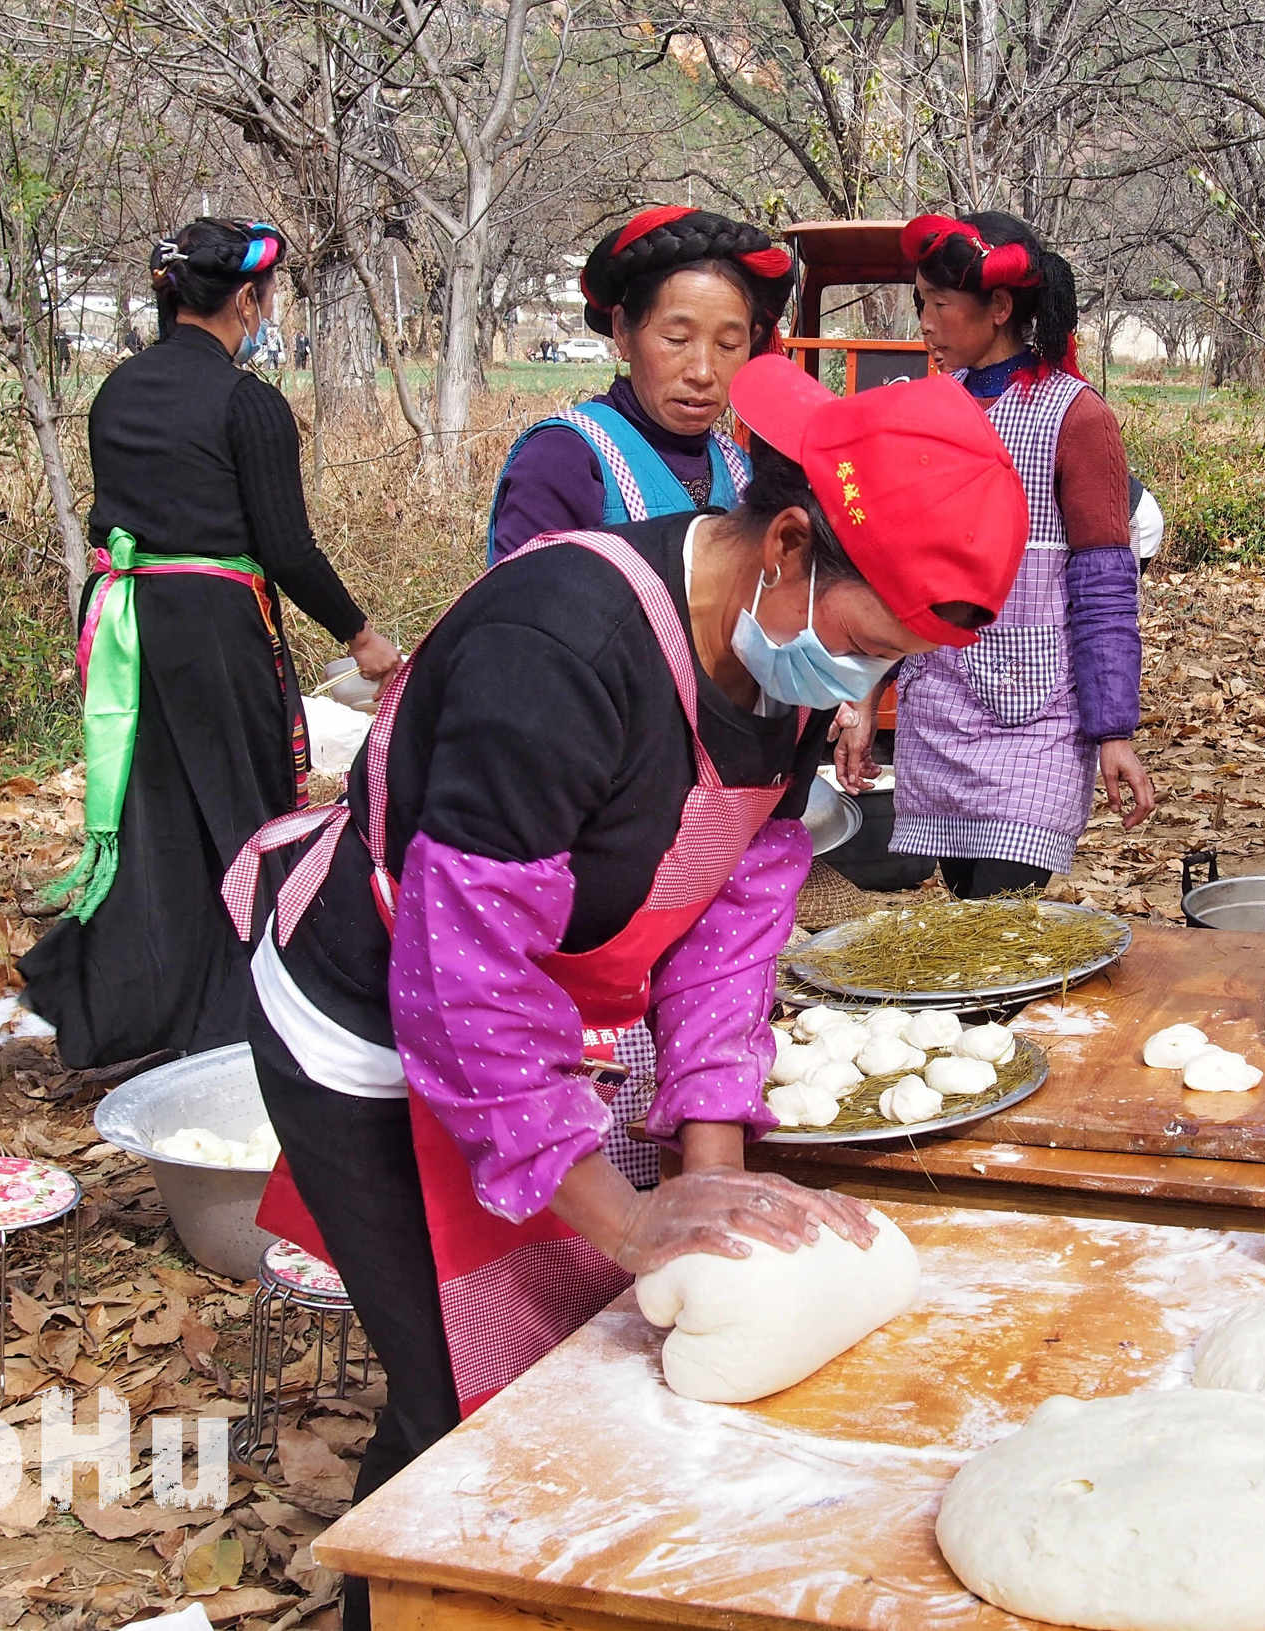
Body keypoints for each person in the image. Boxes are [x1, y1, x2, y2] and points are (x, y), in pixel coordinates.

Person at [218, 355, 1028, 1626]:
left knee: (580, 1350)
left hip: (536, 1008)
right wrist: (629, 1217)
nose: (861, 692)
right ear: (791, 545)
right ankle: (410, 1595)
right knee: (459, 1402)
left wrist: (710, 1155)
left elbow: (737, 903)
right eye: (868, 646)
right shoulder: (563, 651)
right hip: (374, 1012)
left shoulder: (780, 658)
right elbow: (465, 983)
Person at [21, 218, 400, 1068]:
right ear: (244, 298)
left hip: (126, 620)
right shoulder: (247, 402)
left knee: (149, 809)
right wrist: (360, 634)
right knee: (242, 812)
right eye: (268, 297)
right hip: (212, 627)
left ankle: (137, 1000)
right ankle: (242, 1013)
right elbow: (287, 547)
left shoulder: (118, 389)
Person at [834, 211, 1154, 898]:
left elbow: (1103, 586)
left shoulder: (1076, 416)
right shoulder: (922, 409)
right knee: (964, 902)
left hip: (1037, 718)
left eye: (939, 304)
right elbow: (893, 575)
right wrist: (863, 696)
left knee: (999, 909)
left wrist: (1113, 731)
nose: (922, 321)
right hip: (938, 714)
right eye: (920, 302)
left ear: (1000, 306)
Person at [485, 207, 795, 562]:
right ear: (622, 330)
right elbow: (527, 610)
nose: (703, 372)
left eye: (728, 346)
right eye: (677, 339)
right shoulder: (565, 460)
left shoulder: (740, 470)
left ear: (752, 341)